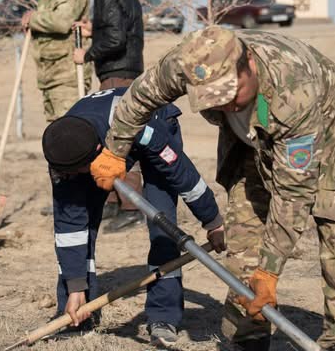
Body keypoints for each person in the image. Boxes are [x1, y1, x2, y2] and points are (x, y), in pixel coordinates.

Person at [90, 26, 335, 351]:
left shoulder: (293, 92)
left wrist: (270, 272)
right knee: (244, 238)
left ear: (249, 65)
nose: (227, 105)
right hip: (253, 141)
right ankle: (247, 336)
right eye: (215, 99)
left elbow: (293, 195)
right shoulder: (188, 62)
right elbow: (139, 98)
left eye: (232, 94)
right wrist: (115, 150)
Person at [42, 87, 226, 348]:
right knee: (82, 226)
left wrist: (213, 221)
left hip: (154, 123)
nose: (75, 177)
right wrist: (75, 287)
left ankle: (163, 317)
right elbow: (70, 227)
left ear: (99, 150)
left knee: (163, 227)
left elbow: (183, 175)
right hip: (98, 141)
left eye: (80, 171)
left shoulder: (142, 126)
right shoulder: (64, 150)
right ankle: (78, 311)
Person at [73, 0, 146, 232]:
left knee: (121, 138)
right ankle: (113, 201)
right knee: (109, 136)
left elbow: (116, 40)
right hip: (119, 73)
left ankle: (132, 207)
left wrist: (87, 53)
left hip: (119, 75)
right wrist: (94, 30)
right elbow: (116, 29)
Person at [21, 0, 90, 122]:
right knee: (54, 131)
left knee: (69, 129)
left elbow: (62, 21)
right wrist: (32, 24)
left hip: (67, 76)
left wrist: (33, 19)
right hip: (49, 76)